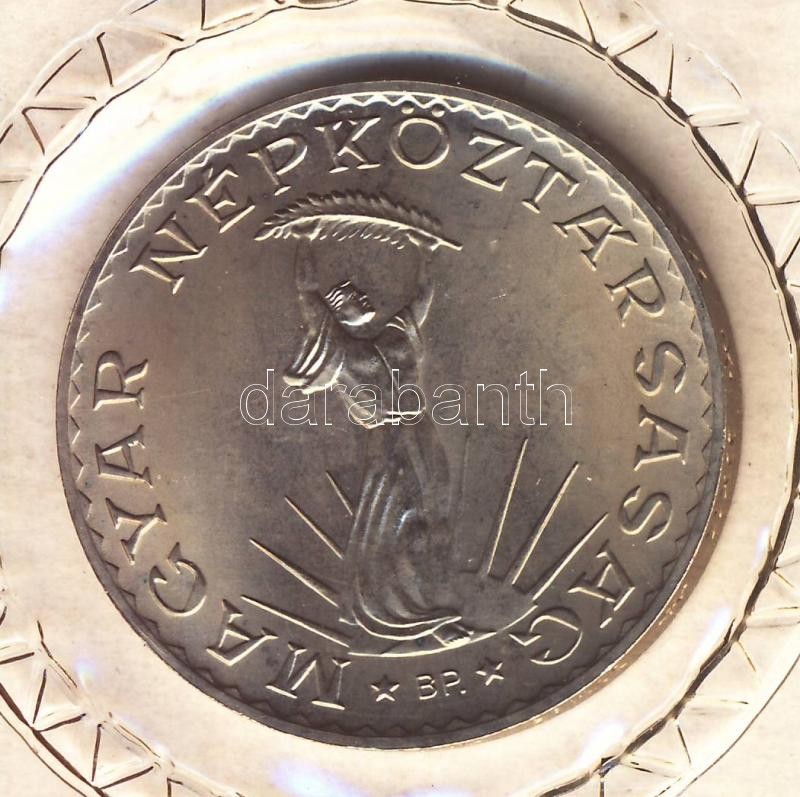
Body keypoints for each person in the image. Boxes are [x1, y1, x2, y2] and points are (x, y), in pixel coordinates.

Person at [283, 240, 472, 647]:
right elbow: (307, 293)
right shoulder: (339, 349)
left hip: (421, 430)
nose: (363, 297)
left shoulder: (396, 334)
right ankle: (413, 616)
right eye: (352, 296)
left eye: (361, 293)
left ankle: (441, 604)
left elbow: (422, 295)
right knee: (399, 527)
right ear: (338, 311)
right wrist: (306, 239)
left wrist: (426, 253)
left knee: (437, 513)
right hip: (386, 440)